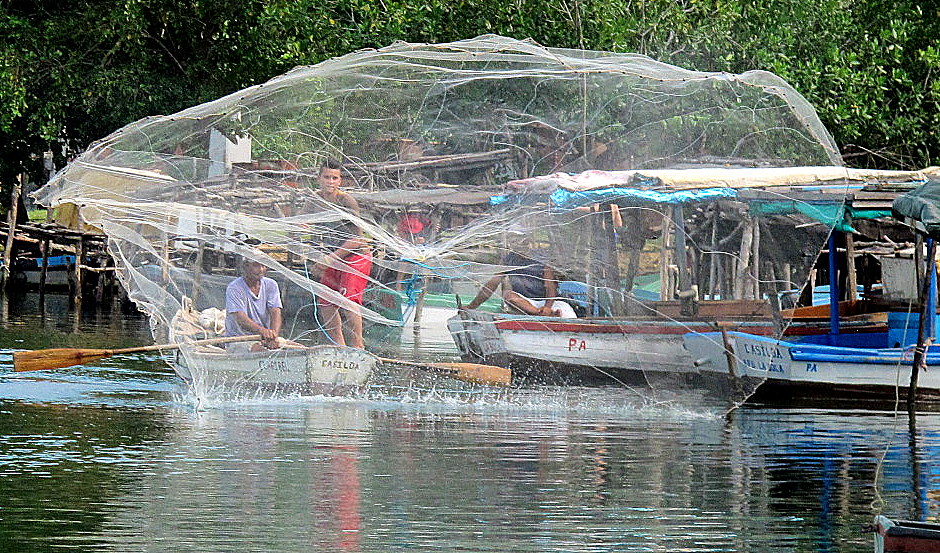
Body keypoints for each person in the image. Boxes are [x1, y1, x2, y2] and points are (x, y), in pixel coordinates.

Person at [314, 158, 372, 349]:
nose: (330, 181)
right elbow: (299, 223)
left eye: (334, 178)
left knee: (348, 301)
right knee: (325, 301)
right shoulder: (315, 200)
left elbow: (357, 239)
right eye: (326, 177)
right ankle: (338, 345)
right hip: (333, 257)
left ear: (340, 181)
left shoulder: (347, 201)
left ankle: (358, 346)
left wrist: (328, 259)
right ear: (319, 178)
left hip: (355, 256)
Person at [461, 250, 577, 318]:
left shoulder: (542, 259)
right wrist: (472, 306)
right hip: (526, 303)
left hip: (547, 303)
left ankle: (545, 313)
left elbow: (550, 287)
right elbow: (491, 285)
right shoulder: (509, 260)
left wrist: (547, 307)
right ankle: (538, 313)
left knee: (565, 312)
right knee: (509, 296)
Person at [224, 253, 286, 351]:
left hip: (265, 338)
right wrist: (262, 331)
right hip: (240, 339)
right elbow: (240, 318)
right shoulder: (235, 288)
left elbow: (275, 311)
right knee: (263, 352)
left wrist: (273, 334)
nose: (261, 269)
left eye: (263, 265)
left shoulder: (271, 284)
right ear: (245, 267)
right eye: (256, 265)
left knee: (299, 348)